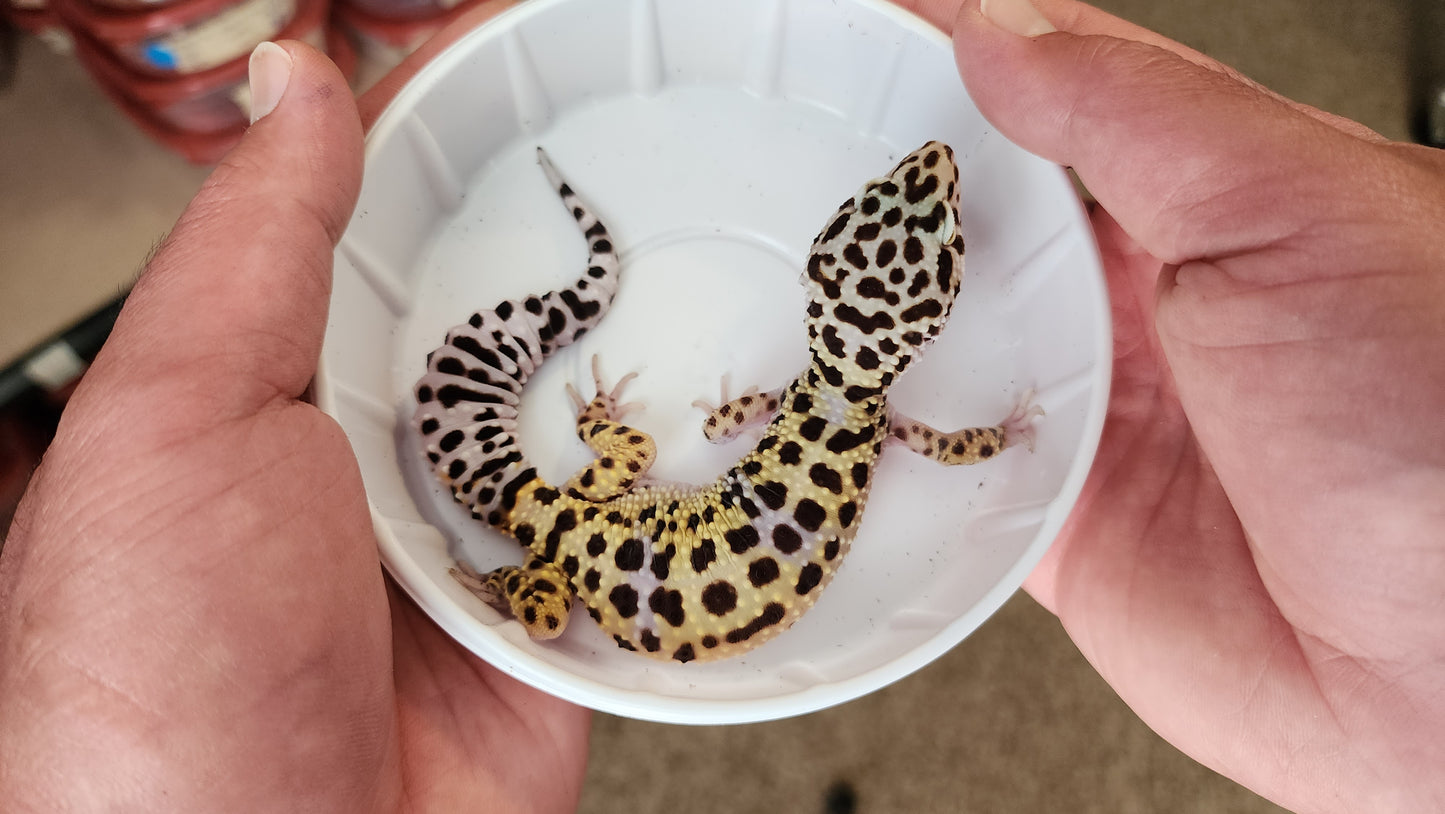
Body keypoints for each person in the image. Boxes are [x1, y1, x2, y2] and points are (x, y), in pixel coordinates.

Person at [1, 0, 1441, 810]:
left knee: (560, 490)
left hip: (608, 545)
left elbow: (820, 421)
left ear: (844, 287)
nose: (925, 191)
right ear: (869, 302)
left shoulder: (834, 396)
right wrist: (987, 440)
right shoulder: (862, 408)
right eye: (905, 210)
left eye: (911, 220)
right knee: (559, 504)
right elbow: (903, 430)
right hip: (602, 548)